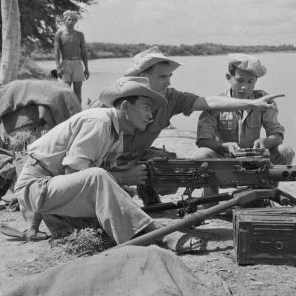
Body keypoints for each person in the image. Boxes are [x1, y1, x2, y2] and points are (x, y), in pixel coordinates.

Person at [12, 76, 201, 252]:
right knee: (98, 177)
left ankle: (148, 233)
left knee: (111, 203)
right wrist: (123, 177)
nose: (149, 116)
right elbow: (74, 173)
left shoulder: (116, 132)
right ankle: (161, 234)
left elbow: (101, 176)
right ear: (125, 106)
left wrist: (130, 179)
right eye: (145, 108)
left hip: (54, 191)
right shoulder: (99, 122)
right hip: (36, 188)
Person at [120, 46, 285, 204]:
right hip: (111, 161)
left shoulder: (171, 98)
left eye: (170, 76)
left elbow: (209, 102)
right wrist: (121, 175)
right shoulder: (118, 101)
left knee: (174, 167)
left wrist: (253, 104)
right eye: (163, 77)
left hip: (138, 157)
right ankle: (120, 186)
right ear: (144, 77)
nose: (168, 82)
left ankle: (146, 189)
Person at [192, 54, 294, 196]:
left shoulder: (264, 100)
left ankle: (266, 193)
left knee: (286, 151)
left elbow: (277, 134)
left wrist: (266, 141)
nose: (245, 86)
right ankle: (210, 199)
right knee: (202, 154)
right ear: (229, 77)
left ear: (256, 81)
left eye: (250, 82)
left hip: (255, 161)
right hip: (225, 163)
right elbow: (202, 140)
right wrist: (224, 146)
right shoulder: (216, 103)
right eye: (239, 80)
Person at [54, 10, 89, 103]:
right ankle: (66, 111)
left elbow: (84, 52)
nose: (71, 21)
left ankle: (79, 111)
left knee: (77, 91)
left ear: (76, 21)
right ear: (64, 20)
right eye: (69, 19)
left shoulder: (80, 35)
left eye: (73, 19)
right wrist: (58, 67)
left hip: (78, 64)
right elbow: (56, 52)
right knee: (66, 91)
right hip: (65, 63)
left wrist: (86, 68)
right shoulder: (59, 34)